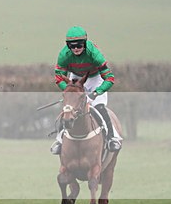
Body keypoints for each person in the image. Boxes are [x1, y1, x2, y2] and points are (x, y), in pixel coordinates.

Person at [51, 26, 122, 155]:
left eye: (79, 45)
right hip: (76, 78)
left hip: (96, 78)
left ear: (85, 43)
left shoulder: (94, 53)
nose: (76, 49)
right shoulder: (63, 55)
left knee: (99, 106)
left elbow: (110, 78)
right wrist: (69, 91)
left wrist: (96, 93)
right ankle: (59, 140)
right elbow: (59, 78)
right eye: (72, 46)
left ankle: (112, 138)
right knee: (68, 108)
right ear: (68, 46)